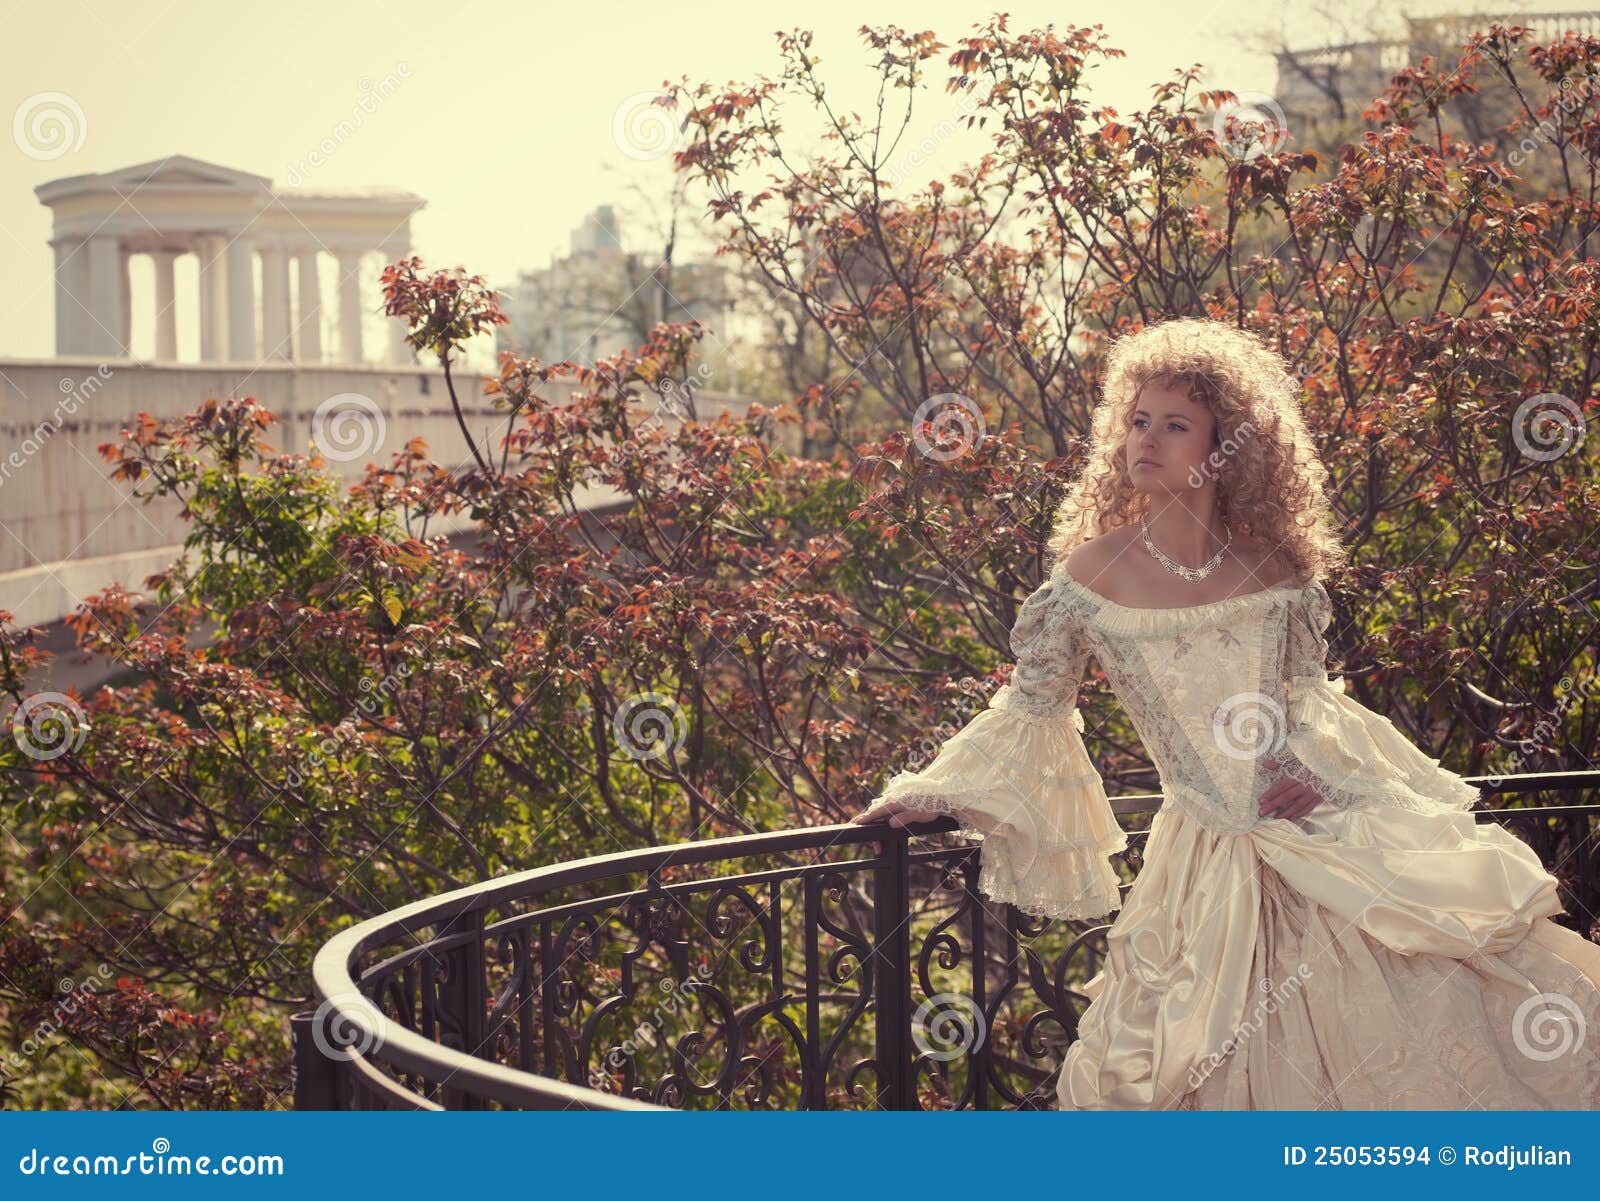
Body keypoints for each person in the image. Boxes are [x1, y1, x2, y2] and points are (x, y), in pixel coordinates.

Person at [851, 317, 1600, 1109]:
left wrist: (1315, 770)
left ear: (1224, 446)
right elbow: (1032, 707)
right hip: (1202, 867)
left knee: (1421, 1028)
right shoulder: (1091, 572)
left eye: (1176, 425)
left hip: (1318, 846)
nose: (1148, 439)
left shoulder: (1274, 568)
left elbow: (1311, 704)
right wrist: (935, 791)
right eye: (1139, 420)